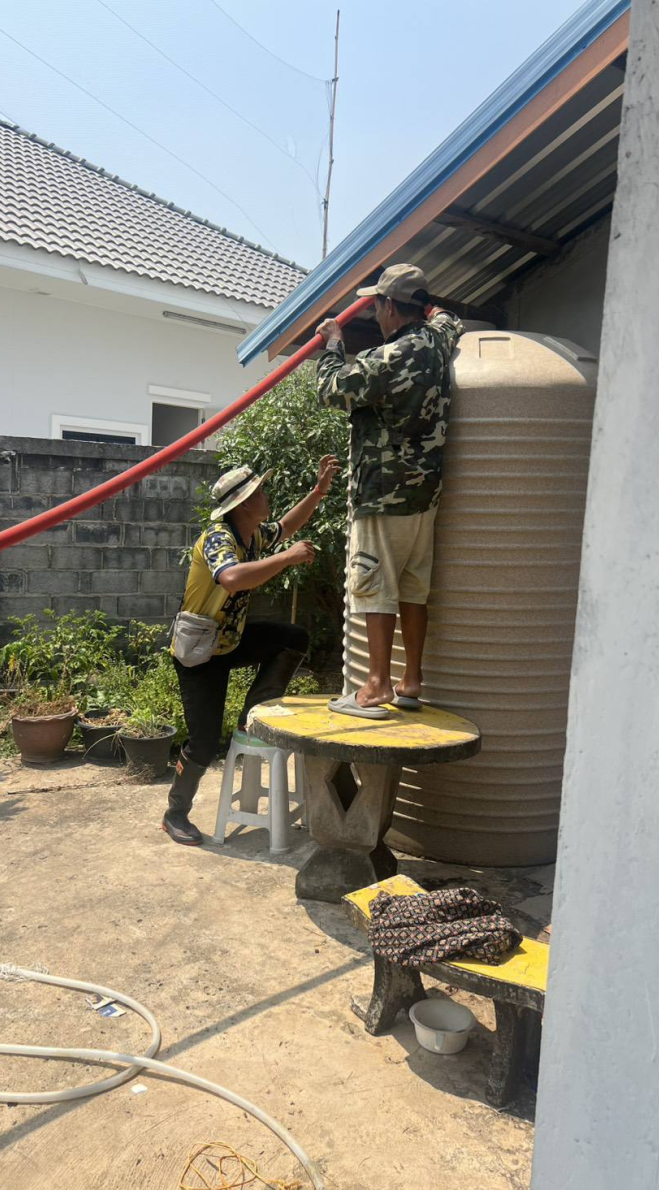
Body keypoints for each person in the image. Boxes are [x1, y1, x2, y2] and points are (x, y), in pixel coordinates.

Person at [162, 454, 341, 845]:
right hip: (199, 654)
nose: (266, 496)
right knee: (204, 743)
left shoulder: (253, 534)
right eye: (260, 492)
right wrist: (287, 557)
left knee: (292, 637)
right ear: (243, 503)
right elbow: (230, 577)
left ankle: (251, 717)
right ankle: (174, 814)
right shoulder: (219, 537)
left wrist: (318, 491)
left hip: (230, 641)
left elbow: (286, 526)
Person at [316, 263, 464, 719]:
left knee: (374, 582)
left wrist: (333, 343)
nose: (376, 314)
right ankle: (410, 680)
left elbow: (330, 390)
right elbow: (450, 320)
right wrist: (432, 309)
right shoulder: (437, 341)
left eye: (377, 305)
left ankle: (376, 685)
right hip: (425, 495)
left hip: (383, 493)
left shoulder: (387, 357)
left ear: (388, 307)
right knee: (413, 587)